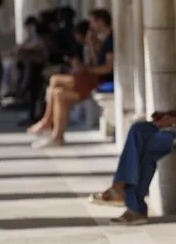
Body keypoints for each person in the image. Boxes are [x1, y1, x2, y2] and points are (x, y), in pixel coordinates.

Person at [88, 22, 176, 225]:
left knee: (148, 147)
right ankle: (124, 192)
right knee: (138, 129)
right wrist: (168, 113)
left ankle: (130, 201)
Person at [26, 9, 114, 148]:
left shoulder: (110, 40)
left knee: (56, 82)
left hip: (98, 80)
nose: (90, 26)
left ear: (100, 21)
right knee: (57, 92)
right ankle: (53, 131)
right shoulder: (103, 39)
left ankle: (52, 128)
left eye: (92, 22)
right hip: (93, 77)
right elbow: (96, 61)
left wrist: (86, 69)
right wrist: (91, 46)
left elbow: (108, 68)